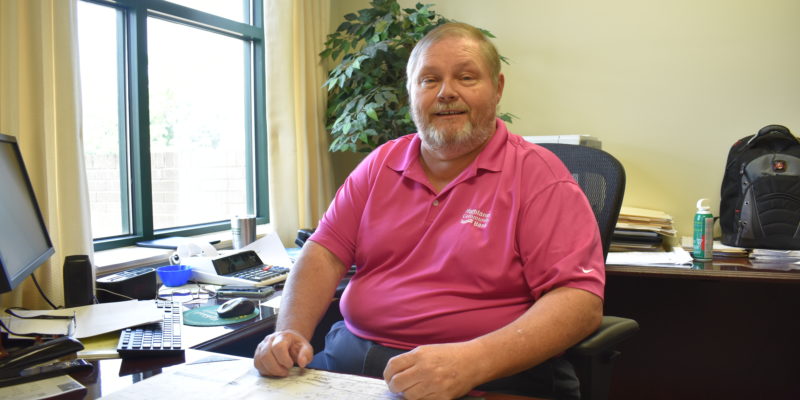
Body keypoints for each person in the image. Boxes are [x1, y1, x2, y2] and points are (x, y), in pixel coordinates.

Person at [254, 22, 604, 400]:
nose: (446, 92)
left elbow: (578, 300)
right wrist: (288, 333)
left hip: (490, 375)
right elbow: (323, 253)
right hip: (355, 362)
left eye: (466, 77)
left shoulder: (540, 176)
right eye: (429, 80)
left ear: (497, 89)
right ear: (411, 93)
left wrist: (473, 362)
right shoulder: (380, 165)